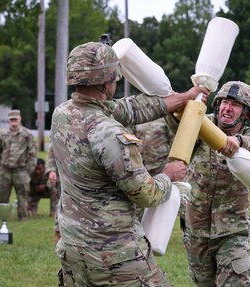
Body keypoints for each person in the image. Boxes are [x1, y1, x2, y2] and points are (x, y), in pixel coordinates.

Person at [51, 41, 209, 287]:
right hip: (115, 255)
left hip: (74, 247)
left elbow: (127, 108)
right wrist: (169, 175)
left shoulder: (63, 114)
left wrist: (178, 100)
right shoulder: (110, 134)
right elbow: (145, 194)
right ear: (106, 82)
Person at [168, 81, 250, 287]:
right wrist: (178, 103)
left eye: (235, 105)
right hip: (195, 229)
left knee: (236, 283)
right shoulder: (201, 123)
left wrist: (240, 142)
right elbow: (175, 126)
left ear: (246, 113)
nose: (227, 108)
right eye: (224, 102)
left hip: (232, 230)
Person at [0, 109, 37, 221]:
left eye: (15, 119)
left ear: (20, 119)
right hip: (5, 169)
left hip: (21, 170)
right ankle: (3, 217)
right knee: (3, 194)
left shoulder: (27, 135)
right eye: (11, 119)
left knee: (23, 195)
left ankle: (22, 217)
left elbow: (32, 153)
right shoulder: (2, 134)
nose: (13, 122)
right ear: (8, 121)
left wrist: (29, 170)